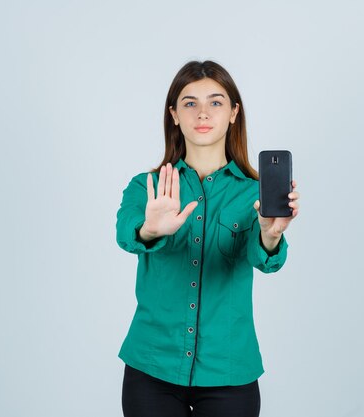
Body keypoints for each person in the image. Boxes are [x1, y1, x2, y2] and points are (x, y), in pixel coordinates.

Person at [115, 60, 300, 417]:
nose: (202, 112)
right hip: (152, 366)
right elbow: (126, 233)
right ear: (174, 114)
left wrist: (269, 235)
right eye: (189, 102)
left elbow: (267, 260)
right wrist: (149, 230)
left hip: (229, 370)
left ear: (233, 112)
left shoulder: (254, 195)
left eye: (216, 102)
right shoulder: (147, 187)